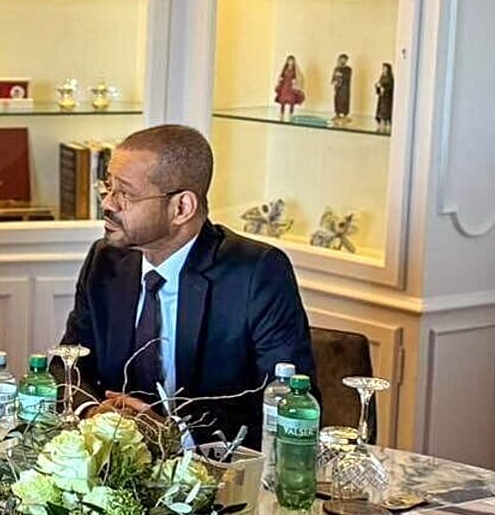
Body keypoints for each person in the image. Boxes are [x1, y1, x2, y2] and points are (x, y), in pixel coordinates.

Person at [61, 124, 317, 447]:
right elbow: (68, 363)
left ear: (181, 208)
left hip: (217, 474)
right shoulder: (106, 260)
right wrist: (92, 413)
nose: (108, 204)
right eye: (108, 187)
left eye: (125, 193)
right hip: (113, 468)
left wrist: (175, 435)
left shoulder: (257, 273)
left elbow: (288, 402)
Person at [332, 53, 353, 120]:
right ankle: (337, 113)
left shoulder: (348, 69)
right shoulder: (337, 68)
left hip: (344, 88)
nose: (342, 61)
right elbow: (333, 77)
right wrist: (334, 81)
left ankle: (345, 114)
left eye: (344, 59)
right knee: (337, 100)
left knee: (344, 101)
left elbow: (347, 77)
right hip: (338, 88)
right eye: (341, 59)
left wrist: (341, 74)